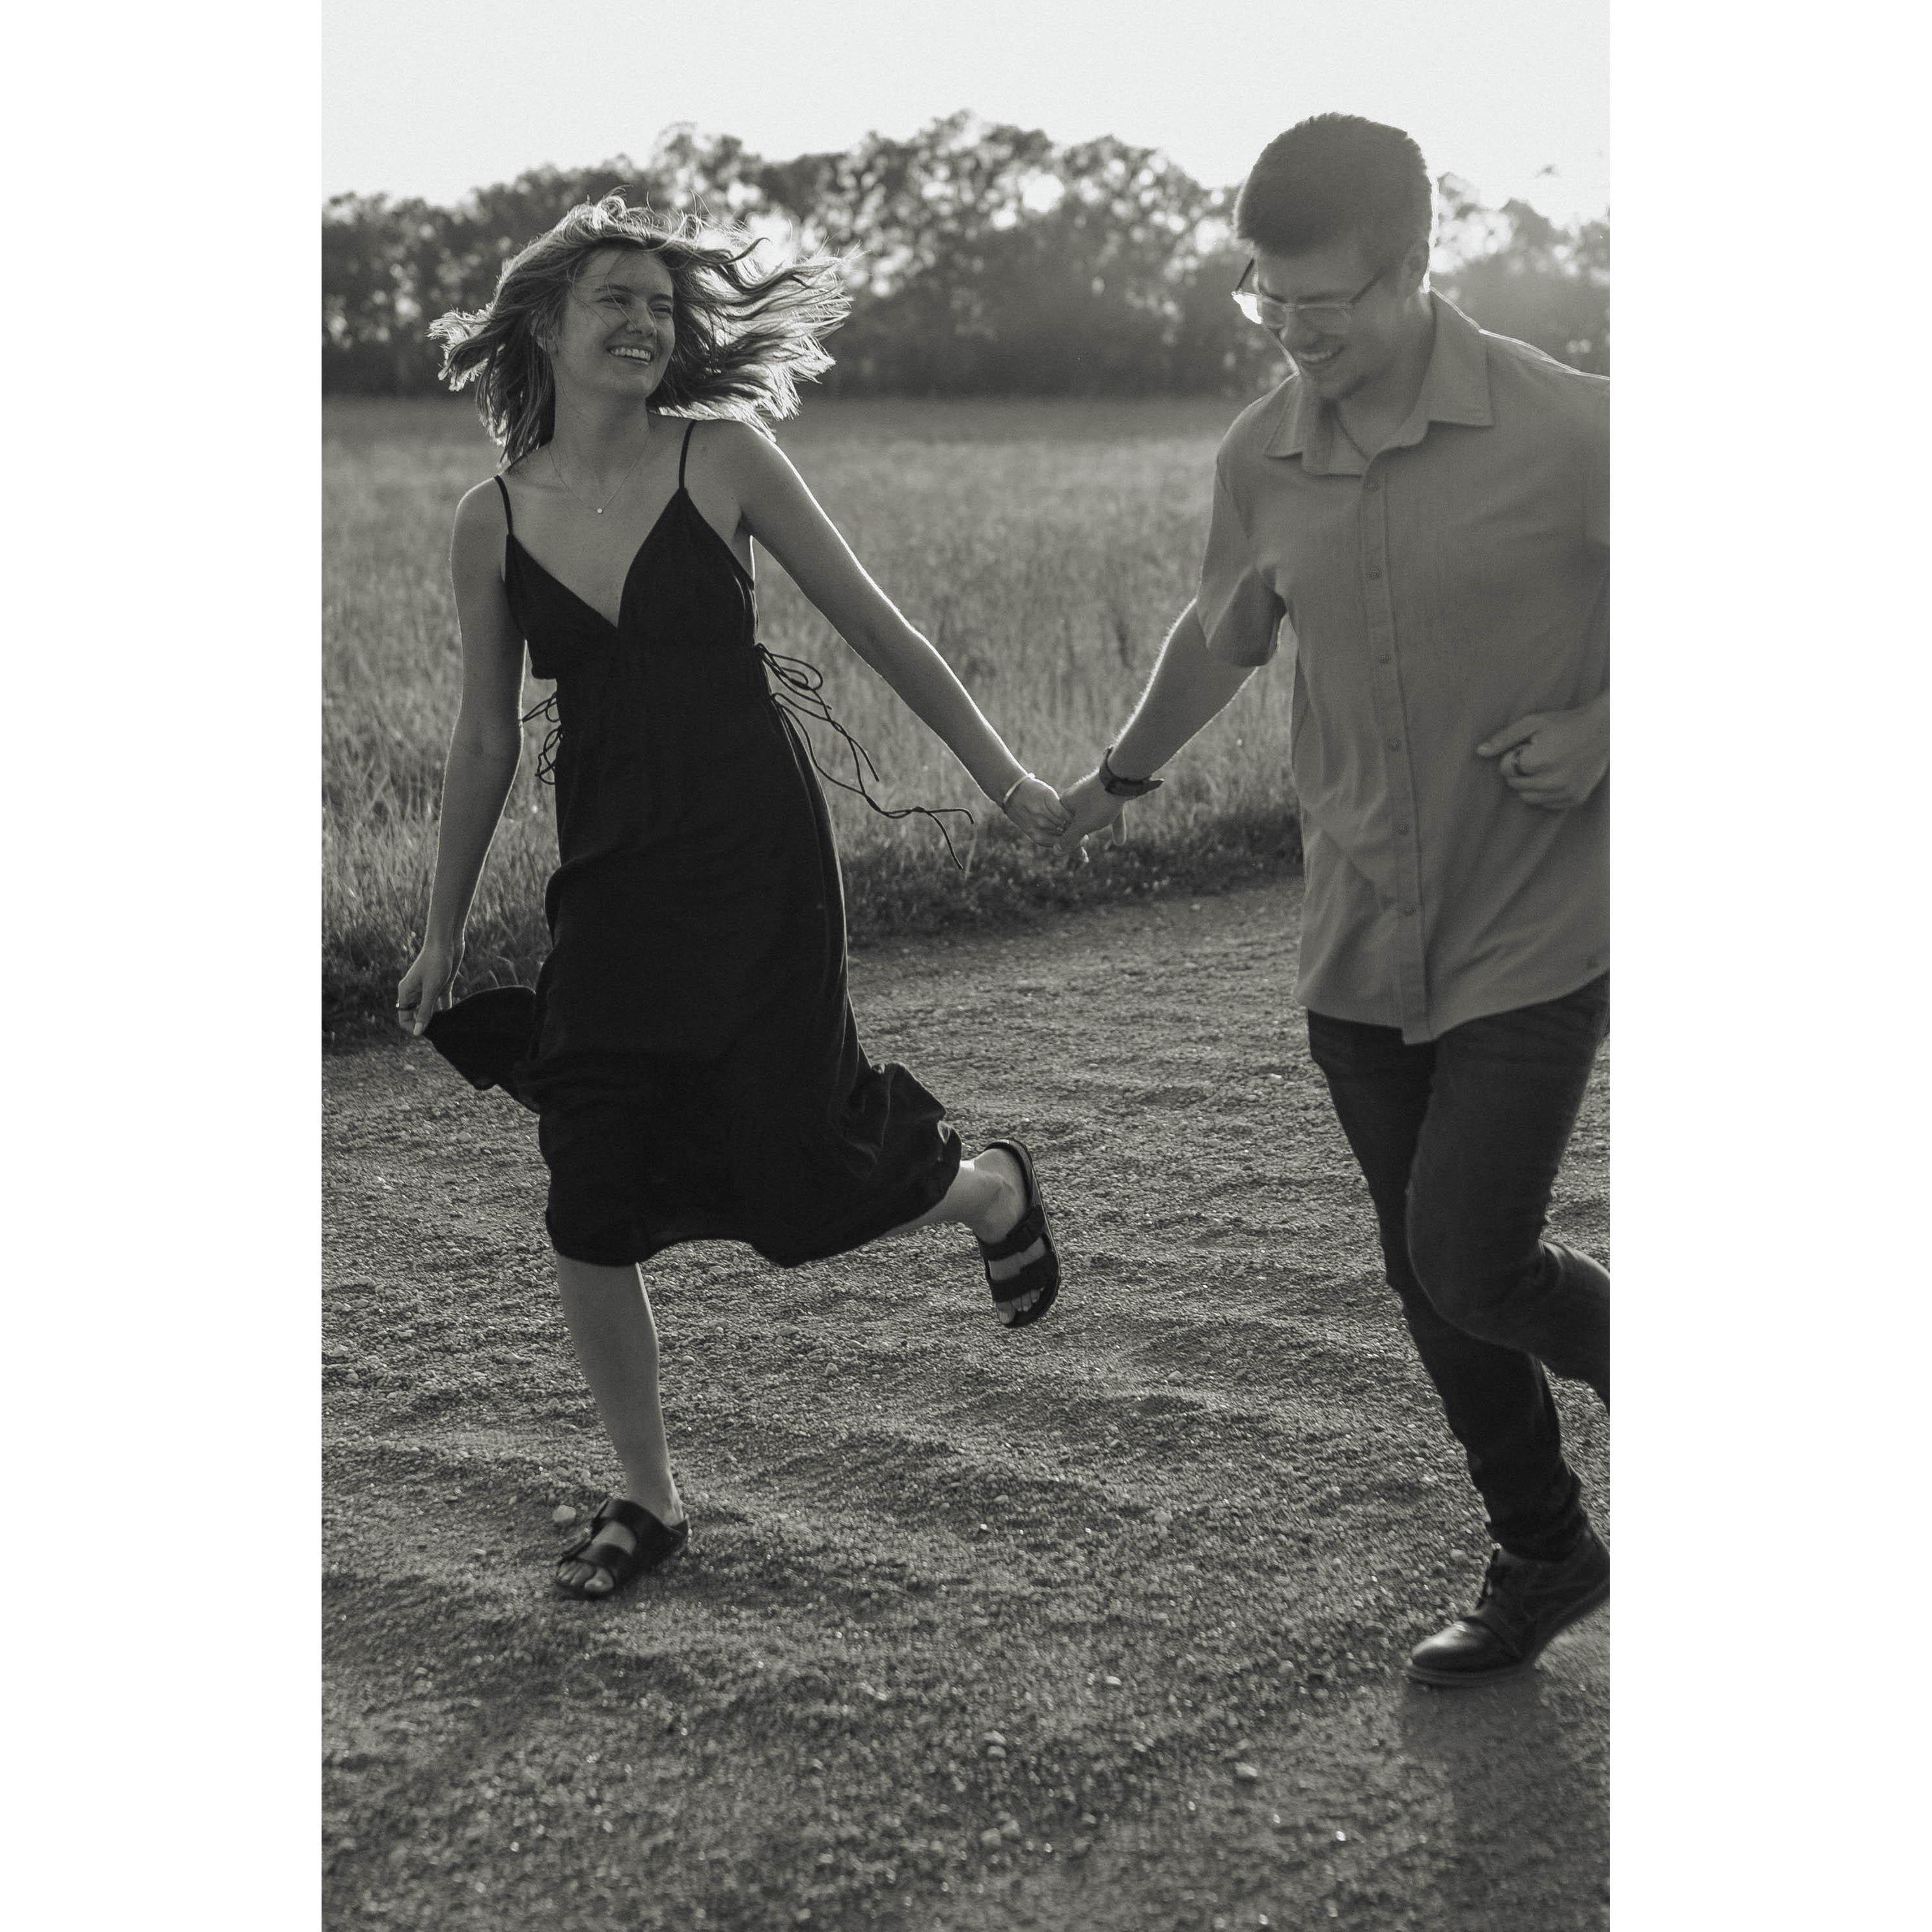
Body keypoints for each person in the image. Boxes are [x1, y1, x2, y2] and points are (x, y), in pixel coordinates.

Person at [394, 197, 1070, 1601]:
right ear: (545, 324)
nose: (645, 323)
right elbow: (484, 738)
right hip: (612, 874)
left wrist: (1006, 781)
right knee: (588, 1184)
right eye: (614, 300)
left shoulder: (724, 457)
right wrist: (441, 927)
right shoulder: (490, 520)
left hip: (757, 861)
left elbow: (879, 628)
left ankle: (988, 1188)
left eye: (662, 304)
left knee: (798, 1172)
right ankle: (647, 1496)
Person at [1054, 115, 1610, 1688]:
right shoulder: (1261, 451)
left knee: (1466, 1254)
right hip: (1358, 926)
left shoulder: (1571, 426)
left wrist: (1606, 726)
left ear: (1417, 263)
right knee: (1426, 1268)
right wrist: (1118, 776)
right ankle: (1543, 1550)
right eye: (1268, 300)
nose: (1295, 333)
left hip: (1534, 917)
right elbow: (1218, 633)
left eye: (1328, 302)